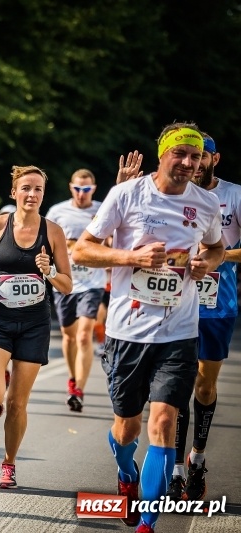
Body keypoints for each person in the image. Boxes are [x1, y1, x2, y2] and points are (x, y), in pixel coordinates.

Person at [71, 122, 224, 533]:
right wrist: (130, 258)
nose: (189, 163)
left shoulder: (205, 204)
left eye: (196, 156)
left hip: (179, 332)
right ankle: (126, 473)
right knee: (127, 429)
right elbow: (82, 250)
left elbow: (216, 246)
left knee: (162, 423)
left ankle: (148, 523)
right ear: (163, 154)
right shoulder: (127, 194)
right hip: (127, 332)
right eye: (181, 154)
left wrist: (206, 263)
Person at [0, 165, 72, 489]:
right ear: (14, 192)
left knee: (18, 403)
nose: (32, 194)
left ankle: (9, 464)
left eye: (38, 189)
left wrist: (49, 270)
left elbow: (67, 284)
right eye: (26, 188)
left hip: (34, 325)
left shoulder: (53, 232)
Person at [161, 134, 241, 502]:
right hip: (173, 299)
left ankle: (198, 458)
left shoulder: (233, 195)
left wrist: (214, 257)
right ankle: (176, 468)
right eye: (189, 155)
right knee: (176, 385)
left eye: (203, 156)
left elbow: (227, 249)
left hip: (216, 304)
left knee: (204, 387)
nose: (195, 162)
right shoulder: (171, 194)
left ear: (214, 159)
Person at [45, 169, 107, 412]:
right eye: (78, 189)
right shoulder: (57, 212)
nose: (82, 194)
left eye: (87, 189)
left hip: (92, 283)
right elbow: (45, 240)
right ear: (71, 188)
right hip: (64, 281)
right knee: (69, 335)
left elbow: (113, 239)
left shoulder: (103, 210)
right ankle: (73, 380)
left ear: (93, 189)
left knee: (84, 335)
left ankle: (79, 389)